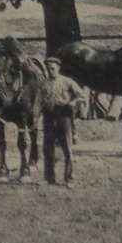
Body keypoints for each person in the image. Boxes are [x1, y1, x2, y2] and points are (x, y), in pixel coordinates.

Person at [42, 55, 85, 183]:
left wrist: (73, 102)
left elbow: (82, 96)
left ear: (58, 68)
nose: (50, 71)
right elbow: (38, 102)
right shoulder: (43, 84)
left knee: (67, 147)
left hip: (64, 116)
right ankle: (49, 178)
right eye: (48, 69)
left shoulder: (67, 82)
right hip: (49, 117)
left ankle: (69, 178)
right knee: (48, 148)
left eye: (53, 69)